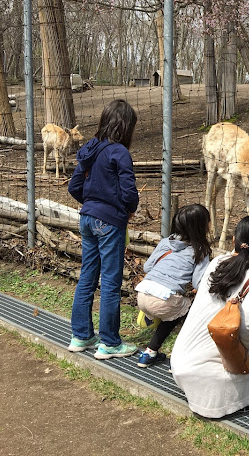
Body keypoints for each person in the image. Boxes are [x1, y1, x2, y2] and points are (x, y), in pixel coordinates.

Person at [170, 216, 249, 418]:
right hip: (209, 383)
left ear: (233, 240)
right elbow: (248, 328)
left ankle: (236, 387)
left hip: (180, 365)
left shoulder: (217, 261)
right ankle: (244, 396)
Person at [66, 99, 140, 360]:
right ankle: (109, 342)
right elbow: (129, 191)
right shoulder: (119, 152)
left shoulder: (89, 149)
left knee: (87, 276)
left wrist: (92, 204)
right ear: (125, 126)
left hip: (87, 219)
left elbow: (74, 186)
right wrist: (127, 208)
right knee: (110, 282)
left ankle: (81, 336)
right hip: (109, 222)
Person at [135, 203, 212, 368]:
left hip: (142, 295)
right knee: (190, 312)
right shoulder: (200, 250)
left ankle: (149, 352)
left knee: (172, 308)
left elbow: (148, 267)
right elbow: (199, 282)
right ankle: (178, 359)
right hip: (163, 301)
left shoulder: (165, 242)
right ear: (201, 227)